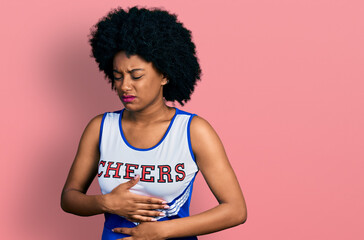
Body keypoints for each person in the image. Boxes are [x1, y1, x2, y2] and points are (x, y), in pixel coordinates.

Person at [61, 6, 247, 240]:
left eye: (136, 76)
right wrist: (105, 202)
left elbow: (235, 210)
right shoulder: (100, 128)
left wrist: (162, 231)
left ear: (165, 75)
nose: (124, 86)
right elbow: (69, 198)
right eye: (118, 76)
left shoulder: (192, 132)